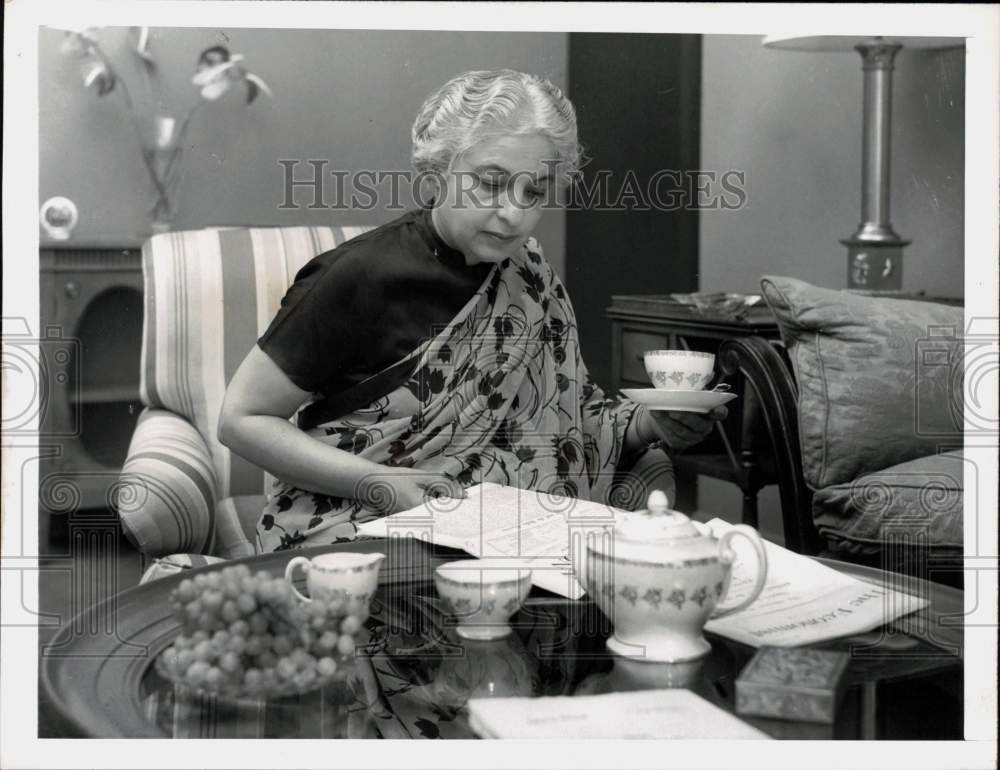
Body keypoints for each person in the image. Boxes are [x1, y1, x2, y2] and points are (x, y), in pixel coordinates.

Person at [218, 69, 726, 553]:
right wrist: (383, 483)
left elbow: (576, 424)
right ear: (439, 168)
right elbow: (242, 418)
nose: (514, 213)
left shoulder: (529, 275)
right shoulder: (356, 276)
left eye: (534, 191)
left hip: (507, 542)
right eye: (490, 182)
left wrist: (657, 424)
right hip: (360, 530)